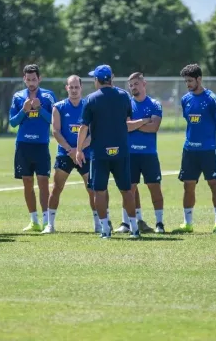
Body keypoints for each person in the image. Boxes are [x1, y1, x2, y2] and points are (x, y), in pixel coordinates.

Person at [75, 64, 139, 239]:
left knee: (99, 191)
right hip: (121, 151)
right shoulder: (124, 96)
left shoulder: (91, 99)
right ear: (112, 78)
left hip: (99, 152)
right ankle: (134, 229)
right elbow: (128, 120)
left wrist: (79, 150)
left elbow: (83, 127)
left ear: (97, 80)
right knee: (126, 190)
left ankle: (105, 230)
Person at [176, 64, 216, 234]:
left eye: (190, 80)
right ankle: (187, 223)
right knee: (188, 186)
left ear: (199, 79)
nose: (188, 84)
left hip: (209, 150)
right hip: (189, 150)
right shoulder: (185, 99)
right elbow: (188, 120)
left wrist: (207, 136)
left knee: (214, 184)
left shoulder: (213, 98)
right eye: (186, 81)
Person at [43, 75, 95, 234]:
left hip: (85, 153)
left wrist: (79, 150)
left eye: (76, 87)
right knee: (57, 187)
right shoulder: (58, 107)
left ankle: (99, 223)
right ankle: (50, 224)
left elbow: (93, 133)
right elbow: (56, 131)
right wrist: (71, 151)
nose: (74, 90)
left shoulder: (89, 106)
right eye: (71, 87)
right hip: (65, 154)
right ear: (66, 88)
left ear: (81, 88)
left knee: (92, 189)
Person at [9, 64, 57, 232]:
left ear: (39, 79)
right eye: (28, 79)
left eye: (34, 79)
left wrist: (39, 108)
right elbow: (13, 122)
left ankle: (46, 221)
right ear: (24, 79)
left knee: (43, 182)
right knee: (27, 183)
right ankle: (33, 220)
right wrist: (24, 110)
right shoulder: (17, 96)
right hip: (23, 146)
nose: (31, 83)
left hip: (41, 145)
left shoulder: (48, 96)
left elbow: (54, 120)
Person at [118, 72, 165, 234]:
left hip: (149, 154)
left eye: (135, 84)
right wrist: (145, 120)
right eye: (130, 85)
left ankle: (159, 223)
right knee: (128, 189)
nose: (133, 88)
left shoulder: (154, 104)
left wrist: (134, 124)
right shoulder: (127, 104)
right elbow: (126, 127)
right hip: (130, 154)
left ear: (144, 84)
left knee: (154, 187)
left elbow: (154, 127)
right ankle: (127, 223)